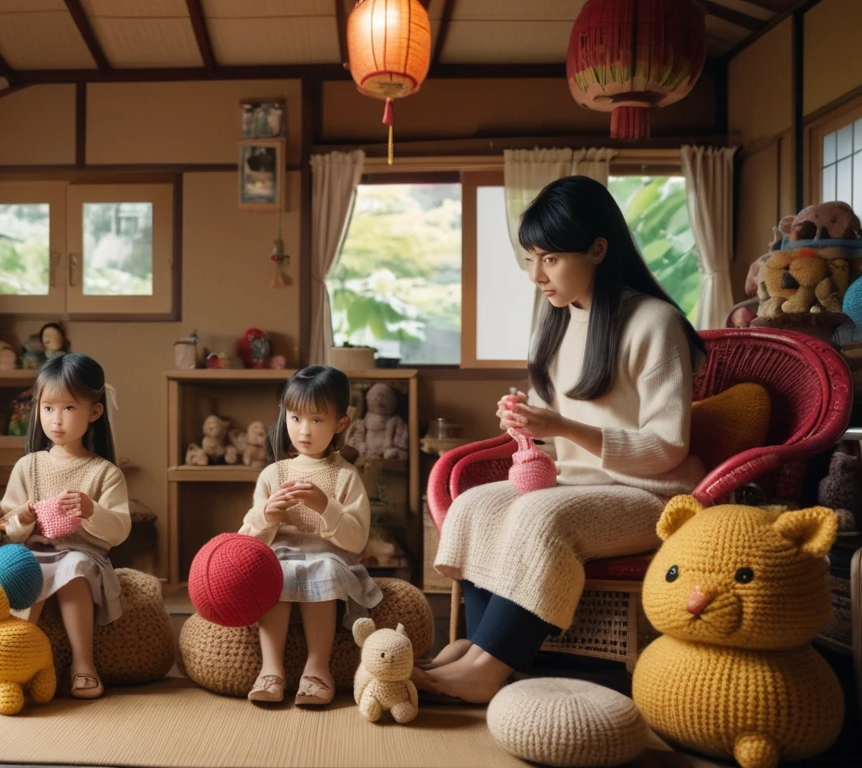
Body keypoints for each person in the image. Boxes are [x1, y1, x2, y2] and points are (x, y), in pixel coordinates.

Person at [420, 175, 707, 703]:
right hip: (579, 482)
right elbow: (554, 432)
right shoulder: (557, 321)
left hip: (653, 495)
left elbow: (669, 447)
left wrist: (562, 427)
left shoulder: (654, 323)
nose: (536, 275)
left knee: (537, 515)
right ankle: (478, 647)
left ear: (598, 249)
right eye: (531, 258)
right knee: (478, 505)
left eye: (549, 258)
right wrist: (527, 424)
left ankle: (486, 669)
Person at [238, 365, 381, 706]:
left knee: (324, 569)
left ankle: (317, 670)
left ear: (340, 425)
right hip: (282, 555)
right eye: (295, 418)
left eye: (317, 420)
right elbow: (247, 539)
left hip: (330, 556)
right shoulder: (274, 474)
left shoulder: (345, 476)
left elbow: (356, 539)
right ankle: (271, 670)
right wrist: (268, 515)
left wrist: (325, 505)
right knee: (274, 569)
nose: (304, 430)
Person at [0, 352, 130, 699]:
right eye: (48, 408)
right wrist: (22, 519)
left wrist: (90, 510)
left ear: (94, 412)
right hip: (35, 551)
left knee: (75, 566)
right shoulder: (28, 466)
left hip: (82, 554)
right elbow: (6, 527)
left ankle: (83, 664)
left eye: (69, 408)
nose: (56, 420)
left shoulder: (104, 473)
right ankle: (15, 662)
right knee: (22, 567)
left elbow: (118, 531)